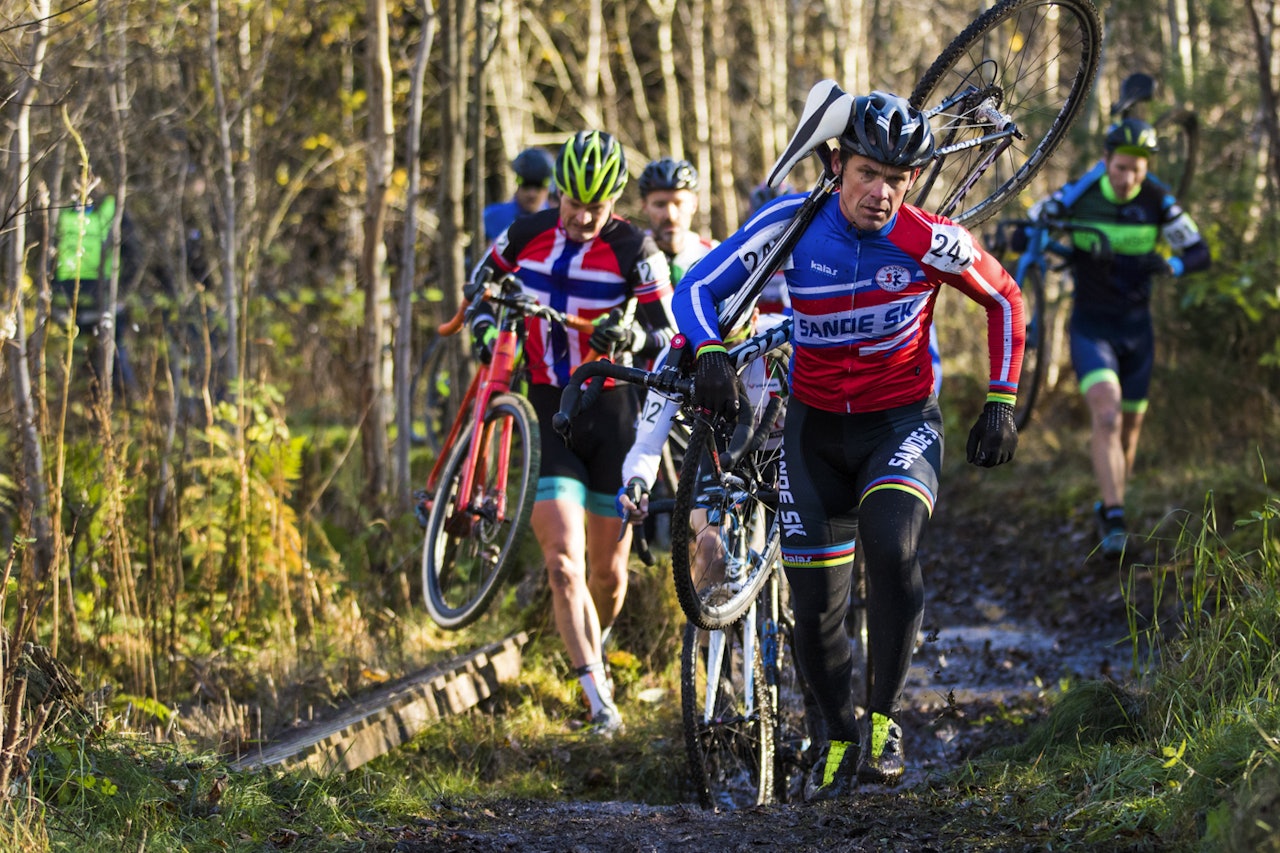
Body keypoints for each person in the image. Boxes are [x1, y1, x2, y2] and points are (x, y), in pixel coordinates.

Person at [673, 91, 1024, 799]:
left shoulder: (929, 238)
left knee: (891, 543)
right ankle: (836, 731)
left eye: (898, 179)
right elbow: (696, 288)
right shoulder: (792, 225)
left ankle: (886, 722)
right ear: (836, 165)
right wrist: (708, 348)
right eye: (868, 172)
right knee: (817, 611)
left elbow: (1004, 297)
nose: (882, 192)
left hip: (899, 423)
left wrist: (1001, 398)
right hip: (814, 431)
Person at [465, 130, 677, 736]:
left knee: (607, 573)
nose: (584, 217)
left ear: (615, 200)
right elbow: (477, 289)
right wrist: (485, 333)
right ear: (558, 193)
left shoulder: (635, 248)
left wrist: (633, 339)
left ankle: (595, 644)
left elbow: (673, 334)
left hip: (613, 416)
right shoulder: (525, 234)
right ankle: (597, 699)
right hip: (544, 413)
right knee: (563, 564)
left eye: (599, 206)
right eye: (573, 203)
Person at [1036, 117, 1210, 559]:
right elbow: (1033, 223)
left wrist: (1171, 266)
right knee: (1108, 416)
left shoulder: (1158, 201)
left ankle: (1108, 505)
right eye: (1120, 168)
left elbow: (1199, 252)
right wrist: (1054, 234)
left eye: (1137, 169)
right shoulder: (1081, 195)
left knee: (1128, 433)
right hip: (1092, 327)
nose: (1128, 177)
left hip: (1138, 331)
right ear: (1106, 162)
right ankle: (1116, 518)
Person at [51, 169, 140, 396]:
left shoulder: (64, 211)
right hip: (84, 300)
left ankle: (111, 406)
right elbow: (134, 254)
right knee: (100, 359)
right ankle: (108, 406)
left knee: (96, 359)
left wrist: (121, 294)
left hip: (84, 299)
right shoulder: (106, 209)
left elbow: (134, 255)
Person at [482, 147, 556, 243]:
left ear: (548, 188)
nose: (531, 194)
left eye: (538, 185)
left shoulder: (558, 222)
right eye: (526, 184)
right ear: (517, 183)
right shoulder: (492, 216)